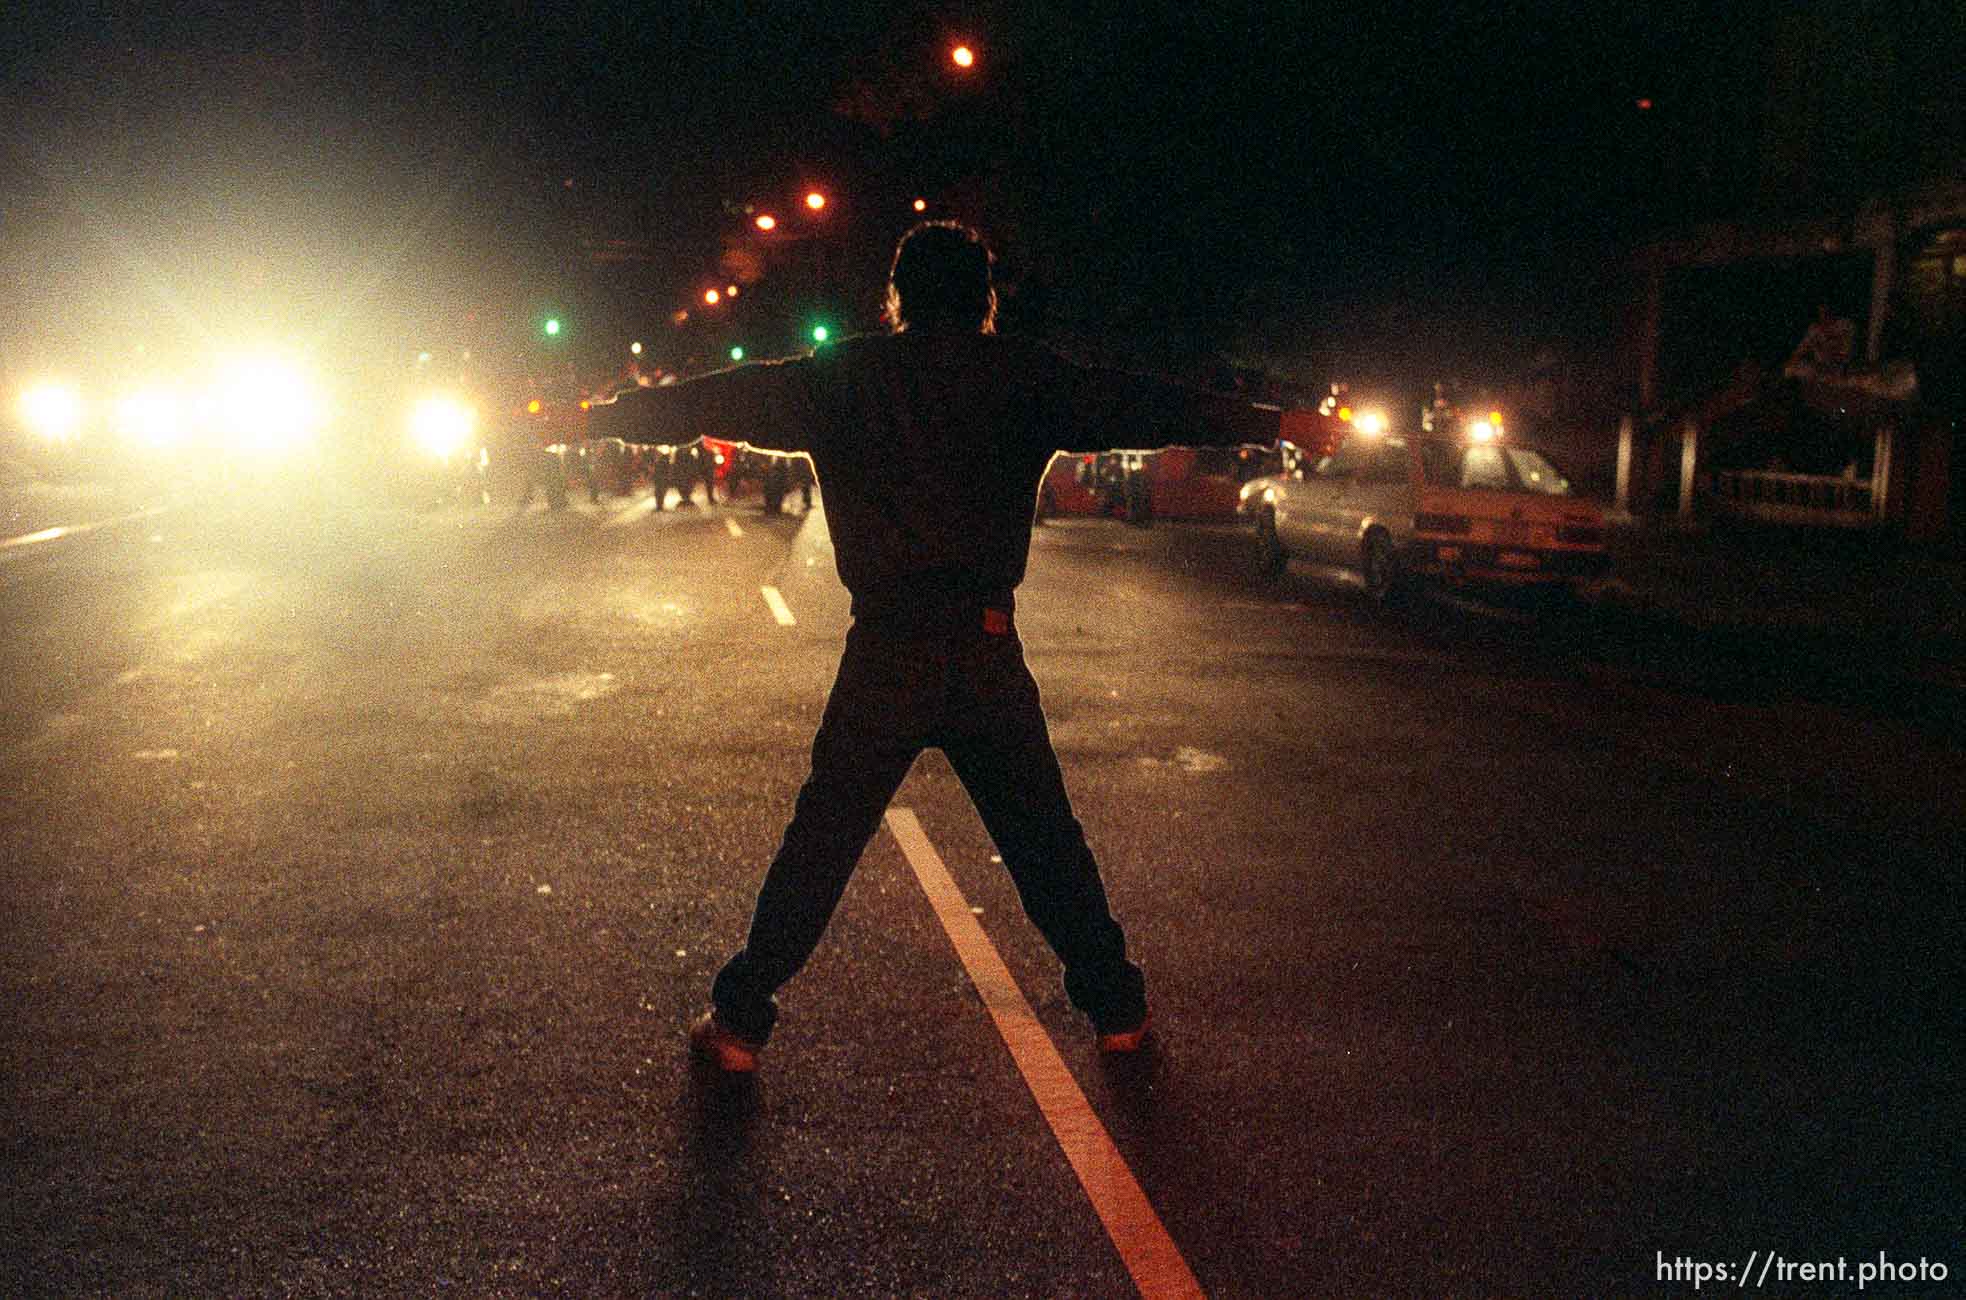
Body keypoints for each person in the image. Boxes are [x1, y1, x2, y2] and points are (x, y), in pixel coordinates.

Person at [590, 220, 1278, 1073]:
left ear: (898, 298)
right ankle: (1118, 1010)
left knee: (824, 839)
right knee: (1043, 841)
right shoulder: (1025, 377)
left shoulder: (844, 376)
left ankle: (739, 1022)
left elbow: (713, 399)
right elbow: (1144, 401)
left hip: (887, 650)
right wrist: (1266, 422)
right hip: (986, 645)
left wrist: (608, 415)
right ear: (985, 298)